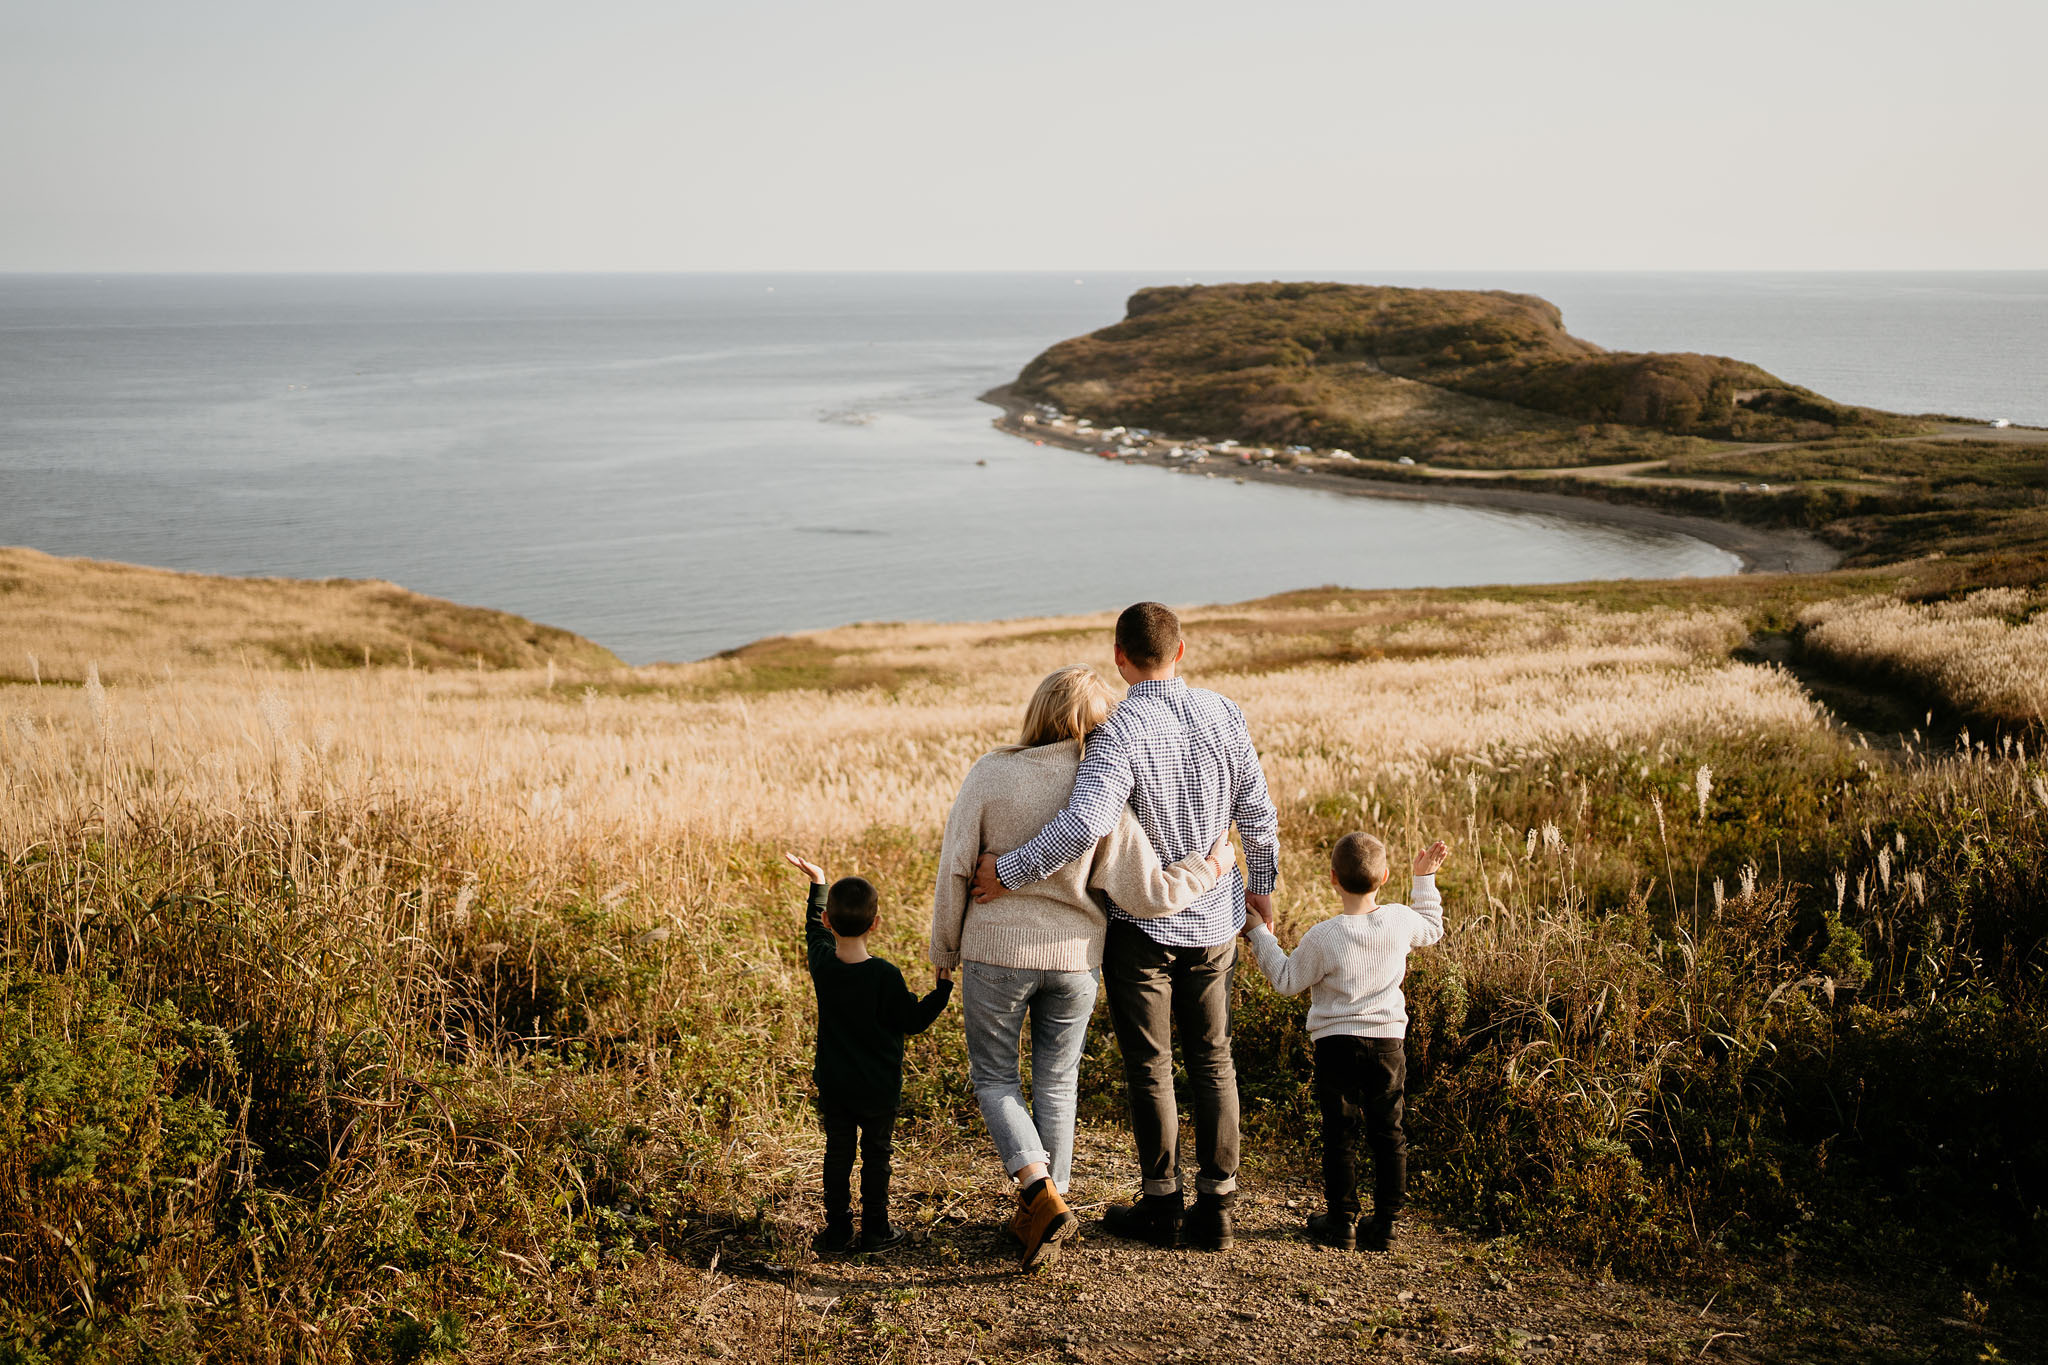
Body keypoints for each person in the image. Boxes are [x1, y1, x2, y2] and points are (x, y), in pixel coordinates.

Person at [974, 602, 1280, 1252]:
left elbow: (1085, 824)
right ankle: (1217, 1204)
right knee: (1214, 1056)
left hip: (1143, 929)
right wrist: (1262, 888)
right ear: (1182, 649)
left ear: (1119, 655)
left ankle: (1162, 1202)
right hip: (1217, 922)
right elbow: (1258, 812)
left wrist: (1011, 871)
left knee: (1152, 1064)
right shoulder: (1226, 712)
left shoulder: (1119, 731)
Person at [932, 665, 1233, 1269]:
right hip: (1075, 962)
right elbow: (1148, 891)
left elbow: (955, 869)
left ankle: (1038, 1194)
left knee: (994, 1078)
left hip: (995, 953)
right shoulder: (1103, 786)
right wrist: (1213, 867)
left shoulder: (992, 772)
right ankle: (1052, 1203)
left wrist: (943, 953)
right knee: (1057, 1080)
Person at [1244, 833, 1448, 1252]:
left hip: (1336, 1045)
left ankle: (1342, 1221)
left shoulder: (1324, 936)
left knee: (1340, 1133)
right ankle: (1387, 1223)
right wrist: (1423, 880)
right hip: (1389, 1044)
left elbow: (1285, 981)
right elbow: (1431, 928)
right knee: (1389, 1132)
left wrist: (1259, 935)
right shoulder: (1398, 920)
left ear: (1332, 878)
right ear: (1385, 877)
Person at [787, 851, 954, 1256]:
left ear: (829, 921)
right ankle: (876, 1230)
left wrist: (818, 882)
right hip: (878, 1089)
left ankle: (838, 1231)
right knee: (876, 1157)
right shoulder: (885, 976)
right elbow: (912, 1020)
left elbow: (813, 929)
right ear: (876, 924)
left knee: (837, 1154)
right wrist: (942, 991)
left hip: (836, 1085)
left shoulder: (824, 964)